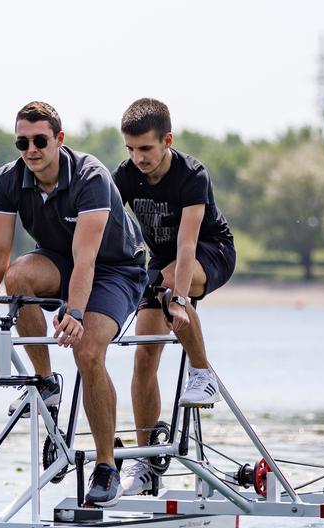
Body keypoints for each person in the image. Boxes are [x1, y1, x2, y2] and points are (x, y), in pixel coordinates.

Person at [0, 101, 147, 507]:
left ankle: (106, 466)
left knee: (88, 352)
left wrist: (74, 313)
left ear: (59, 139)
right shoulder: (8, 179)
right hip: (58, 260)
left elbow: (87, 256)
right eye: (22, 141)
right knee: (18, 275)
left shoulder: (91, 176)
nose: (31, 149)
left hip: (114, 270)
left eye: (40, 140)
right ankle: (46, 382)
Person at [111, 98, 236, 496]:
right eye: (130, 149)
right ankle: (147, 463)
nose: (138, 158)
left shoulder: (191, 175)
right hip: (162, 265)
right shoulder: (125, 176)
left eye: (146, 149)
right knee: (144, 354)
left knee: (167, 283)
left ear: (168, 140)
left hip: (209, 252)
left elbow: (186, 246)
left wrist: (178, 299)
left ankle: (203, 374)